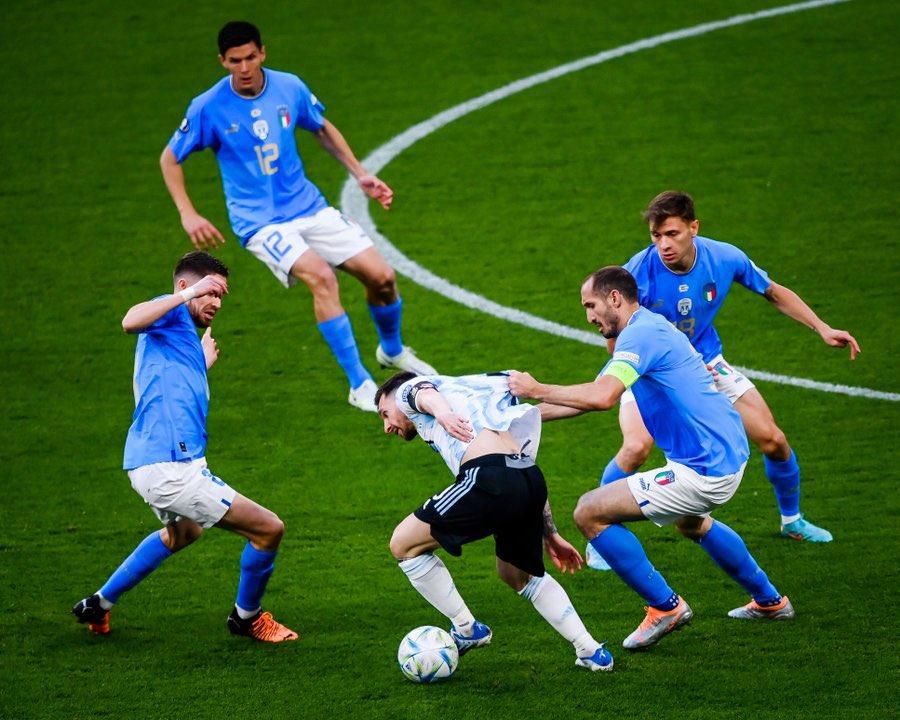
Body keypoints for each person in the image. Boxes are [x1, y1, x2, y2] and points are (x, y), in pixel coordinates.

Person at [509, 266, 794, 651]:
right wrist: (518, 418)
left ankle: (665, 608)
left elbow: (602, 398)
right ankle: (771, 601)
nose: (589, 317)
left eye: (590, 305)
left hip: (704, 469)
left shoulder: (640, 337)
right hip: (723, 454)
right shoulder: (644, 331)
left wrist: (535, 388)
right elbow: (591, 396)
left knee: (588, 512)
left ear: (614, 298)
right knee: (692, 524)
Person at [160, 21, 435, 413]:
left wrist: (361, 174)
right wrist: (188, 213)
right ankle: (359, 384)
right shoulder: (207, 107)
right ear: (222, 61)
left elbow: (321, 128)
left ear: (263, 53)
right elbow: (170, 158)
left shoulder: (290, 87)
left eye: (250, 57)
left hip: (308, 206)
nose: (244, 67)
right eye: (234, 60)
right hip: (260, 222)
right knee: (322, 277)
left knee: (383, 278)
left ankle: (391, 352)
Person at [596, 191, 859, 547]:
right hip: (650, 373)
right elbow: (614, 333)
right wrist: (622, 376)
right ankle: (599, 533)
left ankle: (792, 520)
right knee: (636, 447)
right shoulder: (638, 272)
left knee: (774, 440)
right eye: (656, 236)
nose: (663, 244)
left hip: (706, 364)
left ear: (694, 228)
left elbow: (773, 291)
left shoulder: (724, 257)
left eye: (672, 234)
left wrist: (822, 327)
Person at [72, 252, 297, 643]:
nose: (217, 303)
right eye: (212, 292)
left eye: (221, 297)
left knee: (184, 533)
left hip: (149, 462)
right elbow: (129, 321)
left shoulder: (177, 335)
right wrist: (190, 292)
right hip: (171, 466)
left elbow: (169, 382)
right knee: (268, 529)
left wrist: (200, 363)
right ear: (184, 286)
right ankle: (247, 618)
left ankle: (99, 604)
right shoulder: (169, 311)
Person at [376, 371, 614, 672]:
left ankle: (466, 630)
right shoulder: (478, 390)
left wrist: (444, 414)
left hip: (487, 477)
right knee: (517, 575)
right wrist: (549, 532)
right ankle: (591, 651)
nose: (386, 426)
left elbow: (421, 392)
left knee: (403, 544)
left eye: (384, 413)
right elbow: (526, 449)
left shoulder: (409, 391)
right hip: (527, 478)